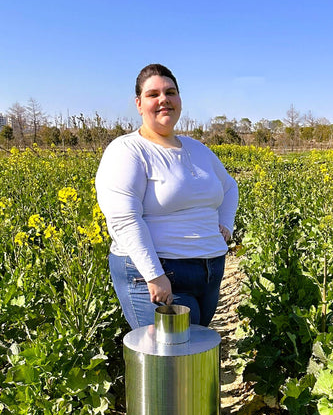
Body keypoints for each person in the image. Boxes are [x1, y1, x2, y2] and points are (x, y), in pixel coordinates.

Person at [96, 63, 239, 329]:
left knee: (193, 357)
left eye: (170, 92)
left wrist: (226, 224)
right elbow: (124, 218)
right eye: (153, 94)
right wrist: (154, 275)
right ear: (139, 104)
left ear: (179, 99)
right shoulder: (127, 151)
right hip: (159, 274)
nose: (164, 99)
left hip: (208, 272)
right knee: (171, 365)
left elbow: (230, 187)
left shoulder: (198, 149)